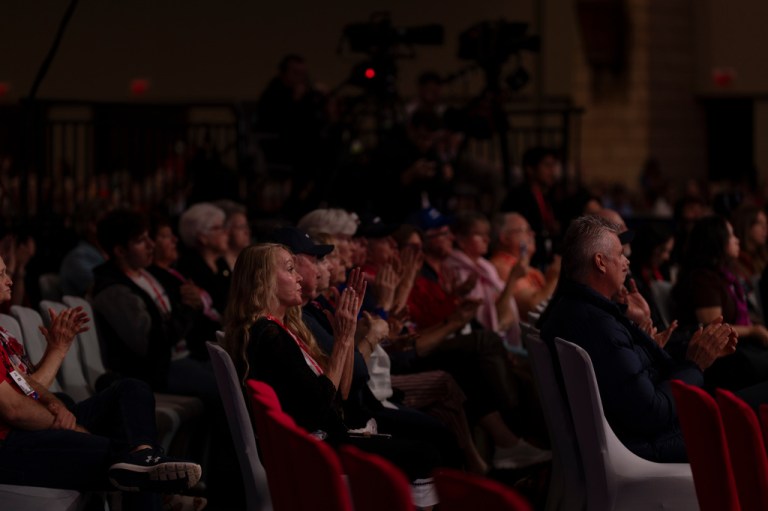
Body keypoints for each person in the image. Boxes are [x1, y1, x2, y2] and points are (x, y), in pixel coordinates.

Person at [222, 243, 442, 508]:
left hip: (313, 441)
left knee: (425, 447)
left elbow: (343, 394)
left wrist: (346, 337)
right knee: (425, 454)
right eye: (291, 269)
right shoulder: (268, 336)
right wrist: (341, 344)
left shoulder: (280, 328)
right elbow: (319, 407)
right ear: (262, 279)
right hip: (312, 451)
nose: (300, 277)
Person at [537, 215, 768, 463]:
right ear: (600, 262)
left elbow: (628, 378)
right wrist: (695, 364)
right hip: (660, 441)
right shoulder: (597, 324)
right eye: (620, 254)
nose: (627, 261)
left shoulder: (576, 310)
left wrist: (648, 341)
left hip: (657, 433)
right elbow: (652, 412)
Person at [0, 255, 202, 510]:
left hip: (31, 424)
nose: (9, 280)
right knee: (125, 461)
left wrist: (58, 349)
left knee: (131, 389)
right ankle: (150, 479)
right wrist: (67, 426)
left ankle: (144, 453)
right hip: (9, 444)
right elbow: (14, 409)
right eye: (1, 274)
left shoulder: (2, 333)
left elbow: (28, 388)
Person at [673, 215, 768, 391]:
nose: (737, 240)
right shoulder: (703, 279)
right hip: (720, 361)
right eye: (731, 235)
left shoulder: (724, 275)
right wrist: (753, 331)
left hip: (738, 350)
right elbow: (714, 328)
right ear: (717, 241)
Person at [443, 210, 522, 349]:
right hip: (474, 341)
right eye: (479, 235)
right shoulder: (456, 270)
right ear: (461, 240)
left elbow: (505, 311)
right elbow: (496, 316)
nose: (487, 239)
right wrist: (512, 279)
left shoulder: (486, 267)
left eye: (487, 234)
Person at [489, 212, 561, 320]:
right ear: (505, 238)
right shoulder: (501, 266)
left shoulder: (522, 267)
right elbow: (534, 307)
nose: (532, 234)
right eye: (525, 230)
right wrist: (554, 276)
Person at [500, 146, 563, 268]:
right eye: (547, 166)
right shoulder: (518, 197)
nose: (552, 171)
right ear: (530, 169)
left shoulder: (550, 196)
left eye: (553, 166)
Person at [176, 202, 231, 317]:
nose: (225, 232)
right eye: (218, 228)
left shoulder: (221, 263)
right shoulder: (189, 268)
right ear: (202, 237)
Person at [213, 199, 252, 271]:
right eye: (241, 227)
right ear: (226, 230)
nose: (247, 232)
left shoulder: (251, 262)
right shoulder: (217, 266)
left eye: (246, 226)